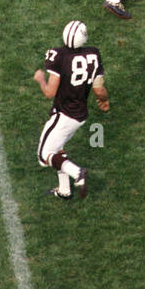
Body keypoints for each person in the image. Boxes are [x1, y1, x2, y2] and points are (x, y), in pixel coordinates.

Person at [34, 20, 108, 201]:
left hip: (64, 115)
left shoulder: (58, 55)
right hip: (80, 115)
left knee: (44, 155)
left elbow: (50, 92)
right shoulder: (93, 54)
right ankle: (64, 189)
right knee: (58, 147)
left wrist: (40, 79)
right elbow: (99, 89)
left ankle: (77, 172)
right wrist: (104, 101)